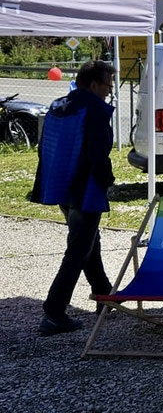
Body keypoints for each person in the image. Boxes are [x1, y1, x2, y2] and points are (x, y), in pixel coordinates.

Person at [29, 59, 117, 336]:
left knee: (88, 240)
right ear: (94, 85)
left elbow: (44, 147)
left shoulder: (58, 106)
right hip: (86, 187)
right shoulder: (95, 110)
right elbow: (98, 154)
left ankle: (104, 294)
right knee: (79, 248)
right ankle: (54, 311)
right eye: (107, 85)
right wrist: (108, 182)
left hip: (59, 185)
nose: (109, 91)